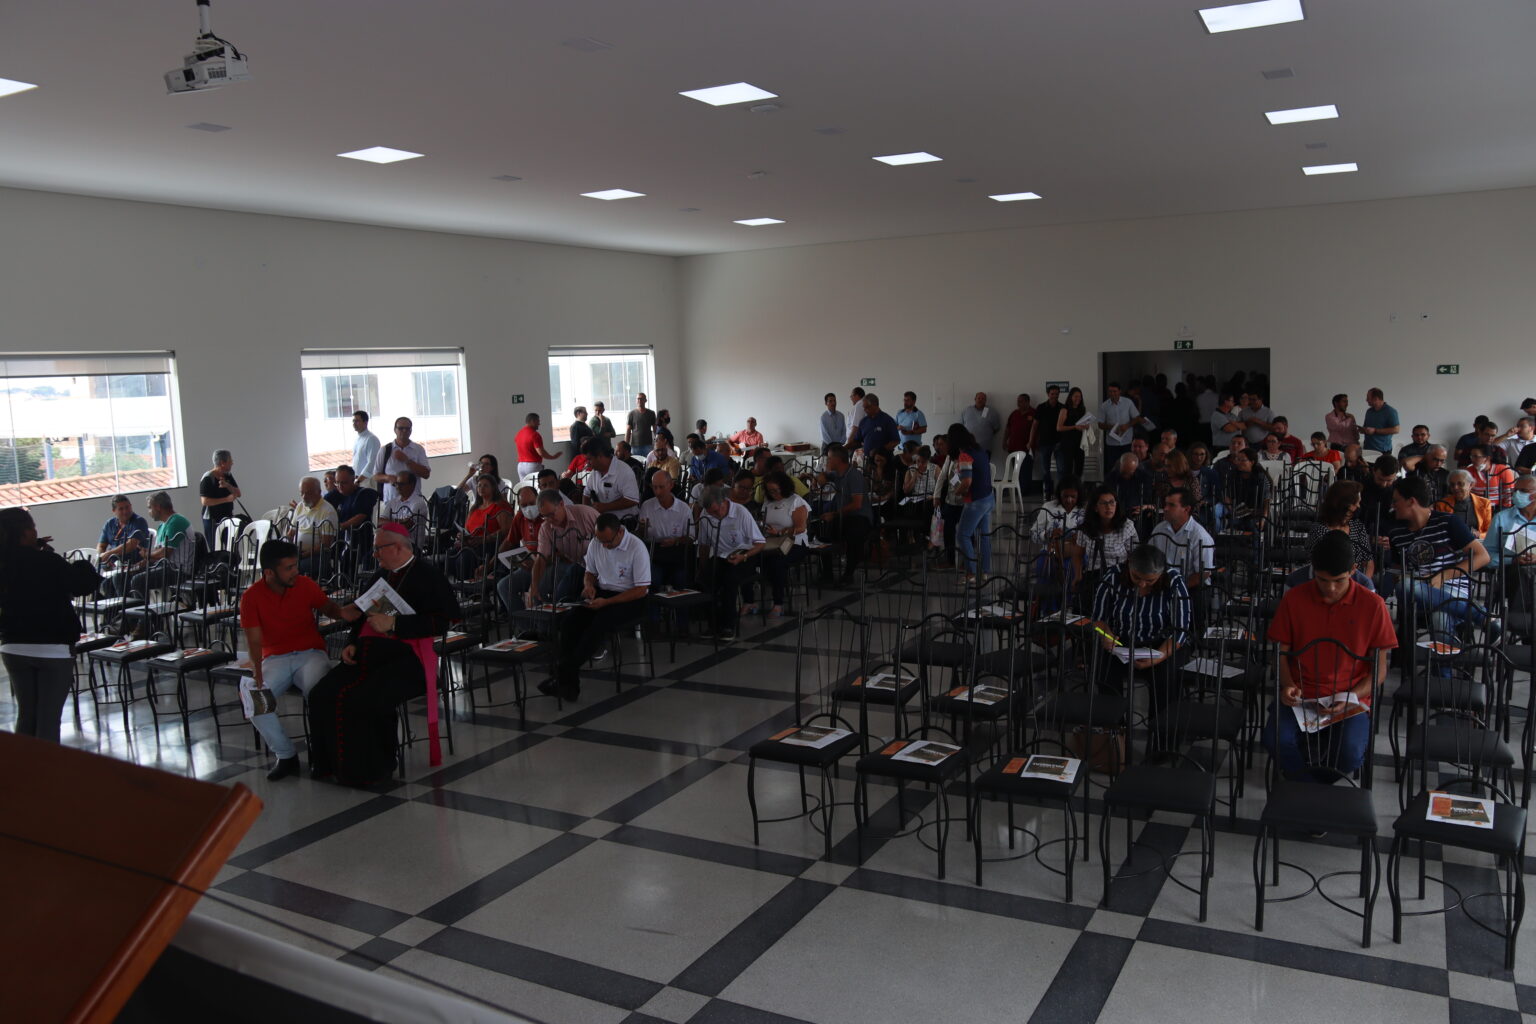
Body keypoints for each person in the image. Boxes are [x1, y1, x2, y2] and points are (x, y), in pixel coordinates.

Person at [307, 524, 461, 785]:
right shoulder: (380, 575)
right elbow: (362, 614)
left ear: (398, 547)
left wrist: (395, 624)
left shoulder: (428, 575)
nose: (374, 554)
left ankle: (373, 769)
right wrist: (351, 643)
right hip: (368, 655)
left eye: (378, 549)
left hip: (407, 660)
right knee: (321, 693)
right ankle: (329, 765)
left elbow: (443, 622)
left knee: (365, 699)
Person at [1264, 531, 1396, 784]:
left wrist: (1351, 696)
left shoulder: (1373, 605)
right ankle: (1313, 790)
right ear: (1313, 570)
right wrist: (1288, 684)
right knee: (1275, 740)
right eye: (1323, 580)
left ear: (1354, 571)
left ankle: (1309, 788)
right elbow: (1280, 654)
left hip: (1349, 698)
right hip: (1301, 695)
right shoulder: (1295, 599)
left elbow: (1379, 671)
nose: (1331, 588)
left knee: (1349, 754)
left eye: (1339, 580)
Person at [239, 539, 355, 780]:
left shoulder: (304, 584)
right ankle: (286, 755)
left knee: (319, 693)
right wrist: (257, 672)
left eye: (296, 565)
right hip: (274, 659)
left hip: (310, 654)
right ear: (269, 573)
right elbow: (254, 641)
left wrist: (345, 611)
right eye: (289, 568)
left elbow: (329, 608)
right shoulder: (251, 597)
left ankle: (323, 755)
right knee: (255, 698)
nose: (296, 571)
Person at [0, 507, 101, 742]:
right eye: (33, 526)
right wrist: (83, 564)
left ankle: (22, 766)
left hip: (13, 647)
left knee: (27, 716)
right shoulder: (48, 560)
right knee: (48, 720)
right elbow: (82, 585)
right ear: (26, 532)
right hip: (53, 649)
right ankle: (47, 766)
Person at [540, 514, 651, 702]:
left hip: (631, 598)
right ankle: (569, 685)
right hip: (603, 593)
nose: (604, 546)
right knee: (570, 622)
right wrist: (589, 586)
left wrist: (607, 603)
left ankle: (562, 673)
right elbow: (589, 572)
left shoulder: (636, 547)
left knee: (598, 624)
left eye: (608, 541)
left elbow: (641, 589)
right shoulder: (596, 543)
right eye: (601, 541)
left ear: (619, 532)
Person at [1382, 477, 1493, 644]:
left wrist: (1443, 576)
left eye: (1396, 501)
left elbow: (1482, 556)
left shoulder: (1448, 522)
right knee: (1405, 585)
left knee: (1440, 617)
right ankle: (1479, 616)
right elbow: (1398, 568)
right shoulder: (1396, 532)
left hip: (1454, 586)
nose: (1393, 505)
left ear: (1411, 501)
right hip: (1419, 591)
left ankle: (1447, 661)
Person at [1090, 545, 1192, 722]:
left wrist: (1158, 657)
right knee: (1103, 669)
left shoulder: (1174, 581)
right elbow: (1097, 619)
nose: (1142, 584)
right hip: (1121, 642)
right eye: (1136, 577)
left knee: (1166, 676)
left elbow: (1180, 630)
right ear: (1129, 565)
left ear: (1160, 574)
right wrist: (1105, 635)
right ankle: (1114, 728)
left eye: (1150, 580)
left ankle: (1160, 730)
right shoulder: (1113, 576)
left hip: (1161, 644)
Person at [502, 488, 597, 614]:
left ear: (561, 504)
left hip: (596, 566)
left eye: (551, 514)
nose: (549, 519)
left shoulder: (585, 514)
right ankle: (533, 624)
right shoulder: (546, 527)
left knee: (563, 589)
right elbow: (541, 558)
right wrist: (533, 586)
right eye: (544, 516)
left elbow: (610, 535)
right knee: (549, 595)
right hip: (575, 567)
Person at [697, 484, 765, 640]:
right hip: (721, 556)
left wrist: (743, 556)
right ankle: (713, 624)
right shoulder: (705, 515)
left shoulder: (740, 512)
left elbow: (760, 543)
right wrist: (703, 566)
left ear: (724, 502)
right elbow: (704, 544)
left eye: (716, 511)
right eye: (710, 512)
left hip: (745, 555)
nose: (714, 515)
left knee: (730, 579)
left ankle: (729, 625)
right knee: (705, 579)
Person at [1068, 486, 1140, 596]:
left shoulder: (1126, 526)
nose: (1109, 507)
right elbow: (1078, 554)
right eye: (1103, 503)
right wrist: (1078, 575)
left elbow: (1135, 554)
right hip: (1094, 575)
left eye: (1112, 502)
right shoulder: (1086, 528)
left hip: (1119, 574)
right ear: (1095, 507)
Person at [945, 423, 994, 583]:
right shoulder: (979, 450)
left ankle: (971, 573)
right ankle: (985, 571)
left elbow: (966, 481)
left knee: (963, 534)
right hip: (988, 497)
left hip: (976, 501)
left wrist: (957, 492)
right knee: (984, 536)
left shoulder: (965, 455)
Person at [758, 471, 811, 618]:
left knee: (777, 562)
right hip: (772, 542)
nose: (774, 494)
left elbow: (801, 527)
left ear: (784, 486)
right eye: (770, 491)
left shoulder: (795, 501)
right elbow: (764, 522)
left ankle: (778, 603)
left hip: (794, 542)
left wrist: (781, 532)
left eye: (776, 490)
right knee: (753, 558)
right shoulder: (768, 502)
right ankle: (750, 601)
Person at [818, 445, 873, 585]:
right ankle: (827, 574)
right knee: (822, 533)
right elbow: (823, 475)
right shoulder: (837, 474)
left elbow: (857, 504)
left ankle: (848, 574)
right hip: (843, 516)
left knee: (853, 535)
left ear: (837, 460)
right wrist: (821, 477)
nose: (827, 461)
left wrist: (834, 514)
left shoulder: (854, 476)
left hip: (859, 517)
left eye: (829, 458)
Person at [638, 471, 693, 596]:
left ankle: (679, 608)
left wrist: (676, 541)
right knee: (652, 580)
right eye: (654, 487)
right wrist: (642, 527)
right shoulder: (647, 506)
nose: (658, 492)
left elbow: (691, 537)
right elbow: (642, 535)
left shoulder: (683, 508)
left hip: (676, 552)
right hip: (654, 553)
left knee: (681, 580)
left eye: (661, 487)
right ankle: (654, 608)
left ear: (671, 485)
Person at [132, 491, 196, 599]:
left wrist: (148, 555)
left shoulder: (176, 521)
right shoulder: (162, 526)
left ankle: (142, 609)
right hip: (165, 567)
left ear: (158, 507)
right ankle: (129, 608)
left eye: (149, 508)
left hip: (177, 570)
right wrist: (143, 562)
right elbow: (158, 554)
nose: (149, 512)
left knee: (137, 581)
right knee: (126, 576)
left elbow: (165, 552)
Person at [1483, 472, 1536, 600]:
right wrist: (1512, 560)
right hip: (1511, 573)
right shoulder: (1501, 518)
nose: (1517, 494)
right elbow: (1487, 555)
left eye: (1523, 491)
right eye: (1515, 491)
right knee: (1522, 573)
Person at [1149, 487, 1214, 590]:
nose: (1165, 508)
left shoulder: (1200, 535)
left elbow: (1203, 573)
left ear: (1186, 509)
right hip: (1162, 584)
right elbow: (1149, 557)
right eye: (1165, 504)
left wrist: (1177, 587)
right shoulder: (1159, 529)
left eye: (1171, 505)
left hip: (1191, 587)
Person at [1309, 480, 1376, 576]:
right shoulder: (1319, 531)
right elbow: (1317, 565)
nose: (1358, 506)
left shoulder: (1358, 527)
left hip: (1357, 580)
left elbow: (1369, 562)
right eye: (1355, 503)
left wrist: (1365, 582)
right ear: (1343, 504)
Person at [457, 474, 512, 579]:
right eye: (479, 485)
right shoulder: (475, 508)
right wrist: (463, 535)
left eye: (485, 485)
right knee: (452, 555)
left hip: (489, 546)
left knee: (464, 558)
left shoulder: (500, 505)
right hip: (471, 544)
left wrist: (484, 539)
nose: (481, 488)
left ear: (493, 488)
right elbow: (466, 529)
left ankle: (471, 585)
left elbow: (506, 530)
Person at [326, 464, 378, 570]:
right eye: (337, 482)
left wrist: (341, 526)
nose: (340, 486)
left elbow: (361, 516)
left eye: (344, 483)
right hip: (340, 539)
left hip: (359, 540)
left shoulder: (365, 494)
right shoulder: (336, 494)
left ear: (354, 479)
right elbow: (321, 504)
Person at [287, 476, 339, 580]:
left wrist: (303, 555)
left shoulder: (328, 511)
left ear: (319, 492)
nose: (304, 497)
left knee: (292, 569)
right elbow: (290, 533)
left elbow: (325, 545)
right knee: (277, 565)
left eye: (308, 493)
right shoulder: (300, 506)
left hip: (317, 556)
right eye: (302, 493)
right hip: (297, 553)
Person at [373, 417, 432, 502]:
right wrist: (388, 478)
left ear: (411, 430)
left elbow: (426, 474)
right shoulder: (385, 450)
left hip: (413, 500)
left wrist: (407, 461)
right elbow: (376, 476)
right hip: (391, 500)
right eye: (401, 428)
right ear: (395, 430)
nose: (404, 431)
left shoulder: (418, 449)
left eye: (407, 428)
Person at [585, 442, 641, 523]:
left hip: (625, 521)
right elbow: (586, 494)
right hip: (604, 521)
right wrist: (587, 514)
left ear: (600, 456)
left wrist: (605, 507)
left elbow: (632, 500)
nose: (587, 463)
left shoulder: (624, 471)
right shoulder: (595, 472)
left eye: (589, 459)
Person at [198, 449, 241, 546]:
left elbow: (238, 493)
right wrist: (226, 499)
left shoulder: (228, 475)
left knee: (231, 547)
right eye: (230, 461)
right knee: (216, 548)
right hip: (212, 520)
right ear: (222, 463)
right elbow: (205, 501)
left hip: (227, 516)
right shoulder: (208, 478)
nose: (232, 463)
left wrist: (228, 485)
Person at [1224, 448, 1271, 536]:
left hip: (1256, 513)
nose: (1239, 463)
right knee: (1231, 527)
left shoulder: (1261, 477)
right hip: (1238, 511)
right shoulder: (1233, 475)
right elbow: (1227, 496)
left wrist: (1263, 519)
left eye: (1243, 460)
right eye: (1238, 460)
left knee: (1253, 527)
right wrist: (1232, 511)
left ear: (1252, 462)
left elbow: (1267, 500)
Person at [1436, 469, 1493, 538]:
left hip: (1476, 541)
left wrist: (1478, 535)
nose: (1455, 488)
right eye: (1452, 485)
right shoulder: (1442, 504)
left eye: (1460, 484)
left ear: (1471, 485)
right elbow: (1440, 531)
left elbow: (1489, 532)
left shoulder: (1484, 503)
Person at [97, 494, 150, 569]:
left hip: (134, 566)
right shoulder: (109, 523)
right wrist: (104, 558)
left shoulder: (139, 521)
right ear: (114, 511)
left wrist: (109, 554)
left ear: (131, 506)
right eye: (121, 509)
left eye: (127, 507)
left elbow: (131, 545)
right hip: (114, 566)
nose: (125, 511)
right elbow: (101, 546)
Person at [1097, 382, 1142, 468]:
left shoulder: (1128, 402)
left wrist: (1127, 425)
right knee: (1113, 467)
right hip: (1112, 443)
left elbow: (1136, 418)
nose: (1112, 394)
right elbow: (1100, 424)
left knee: (1128, 466)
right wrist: (1113, 427)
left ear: (1120, 391)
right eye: (1110, 391)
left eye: (1115, 391)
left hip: (1127, 441)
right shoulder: (1104, 406)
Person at [382, 470, 430, 544]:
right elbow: (379, 522)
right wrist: (398, 521)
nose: (398, 487)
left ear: (412, 485)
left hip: (411, 545)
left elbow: (406, 525)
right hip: (393, 543)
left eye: (401, 484)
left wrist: (388, 522)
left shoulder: (419, 503)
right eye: (396, 484)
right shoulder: (393, 502)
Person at [854, 394, 901, 464]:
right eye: (864, 408)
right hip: (868, 461)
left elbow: (896, 441)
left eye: (867, 407)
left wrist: (879, 450)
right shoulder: (863, 421)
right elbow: (857, 440)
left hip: (884, 461)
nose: (865, 410)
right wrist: (845, 447)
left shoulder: (887, 420)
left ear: (875, 405)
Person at [1056, 386, 1090, 482]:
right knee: (1068, 469)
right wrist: (1074, 427)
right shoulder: (1064, 409)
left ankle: (1077, 488)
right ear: (1070, 397)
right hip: (1067, 443)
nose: (1077, 399)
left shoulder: (1082, 409)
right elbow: (1059, 428)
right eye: (1075, 396)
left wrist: (1086, 426)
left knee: (1079, 469)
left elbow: (1082, 425)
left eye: (1079, 396)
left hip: (1079, 443)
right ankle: (1067, 488)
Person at [1036, 384, 1064, 499]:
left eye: (1056, 394)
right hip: (1044, 443)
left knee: (1061, 469)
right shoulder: (1041, 407)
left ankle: (1060, 493)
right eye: (1052, 394)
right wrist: (1031, 440)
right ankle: (1047, 493)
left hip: (1059, 443)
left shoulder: (1063, 407)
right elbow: (1035, 425)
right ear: (1048, 394)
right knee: (1045, 470)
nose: (1054, 396)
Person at [515, 414, 561, 479]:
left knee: (524, 485)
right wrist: (552, 457)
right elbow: (541, 452)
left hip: (520, 466)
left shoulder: (519, 433)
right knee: (537, 484)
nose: (539, 424)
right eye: (538, 421)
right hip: (533, 466)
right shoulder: (535, 435)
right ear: (532, 421)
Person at [1360, 388, 1399, 454]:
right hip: (1367, 448)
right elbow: (1366, 427)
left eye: (1368, 398)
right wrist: (1363, 430)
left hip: (1383, 451)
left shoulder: (1390, 411)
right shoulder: (1369, 411)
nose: (1366, 400)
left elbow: (1396, 430)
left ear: (1376, 399)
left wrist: (1375, 430)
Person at [351, 411, 381, 492]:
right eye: (353, 421)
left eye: (357, 421)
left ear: (365, 422)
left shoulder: (371, 439)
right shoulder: (358, 439)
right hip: (358, 480)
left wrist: (359, 480)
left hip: (367, 480)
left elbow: (372, 462)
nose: (354, 423)